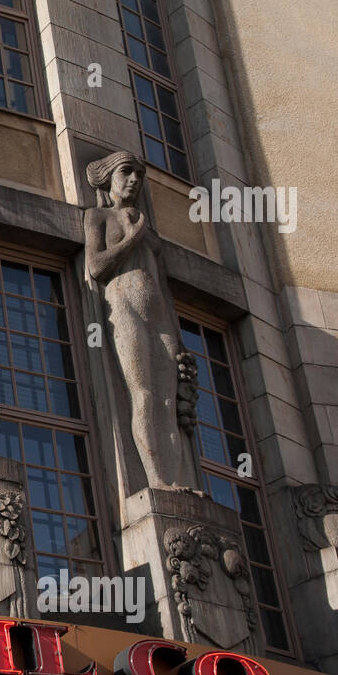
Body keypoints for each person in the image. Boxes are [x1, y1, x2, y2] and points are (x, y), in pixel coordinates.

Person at [83, 150, 194, 491]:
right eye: (126, 172)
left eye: (138, 176)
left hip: (159, 315)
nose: (134, 180)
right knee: (143, 395)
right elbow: (96, 266)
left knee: (166, 400)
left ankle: (174, 481)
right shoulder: (98, 216)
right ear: (109, 178)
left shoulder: (149, 231)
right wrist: (132, 237)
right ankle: (155, 480)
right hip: (124, 306)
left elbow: (161, 284)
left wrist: (180, 339)